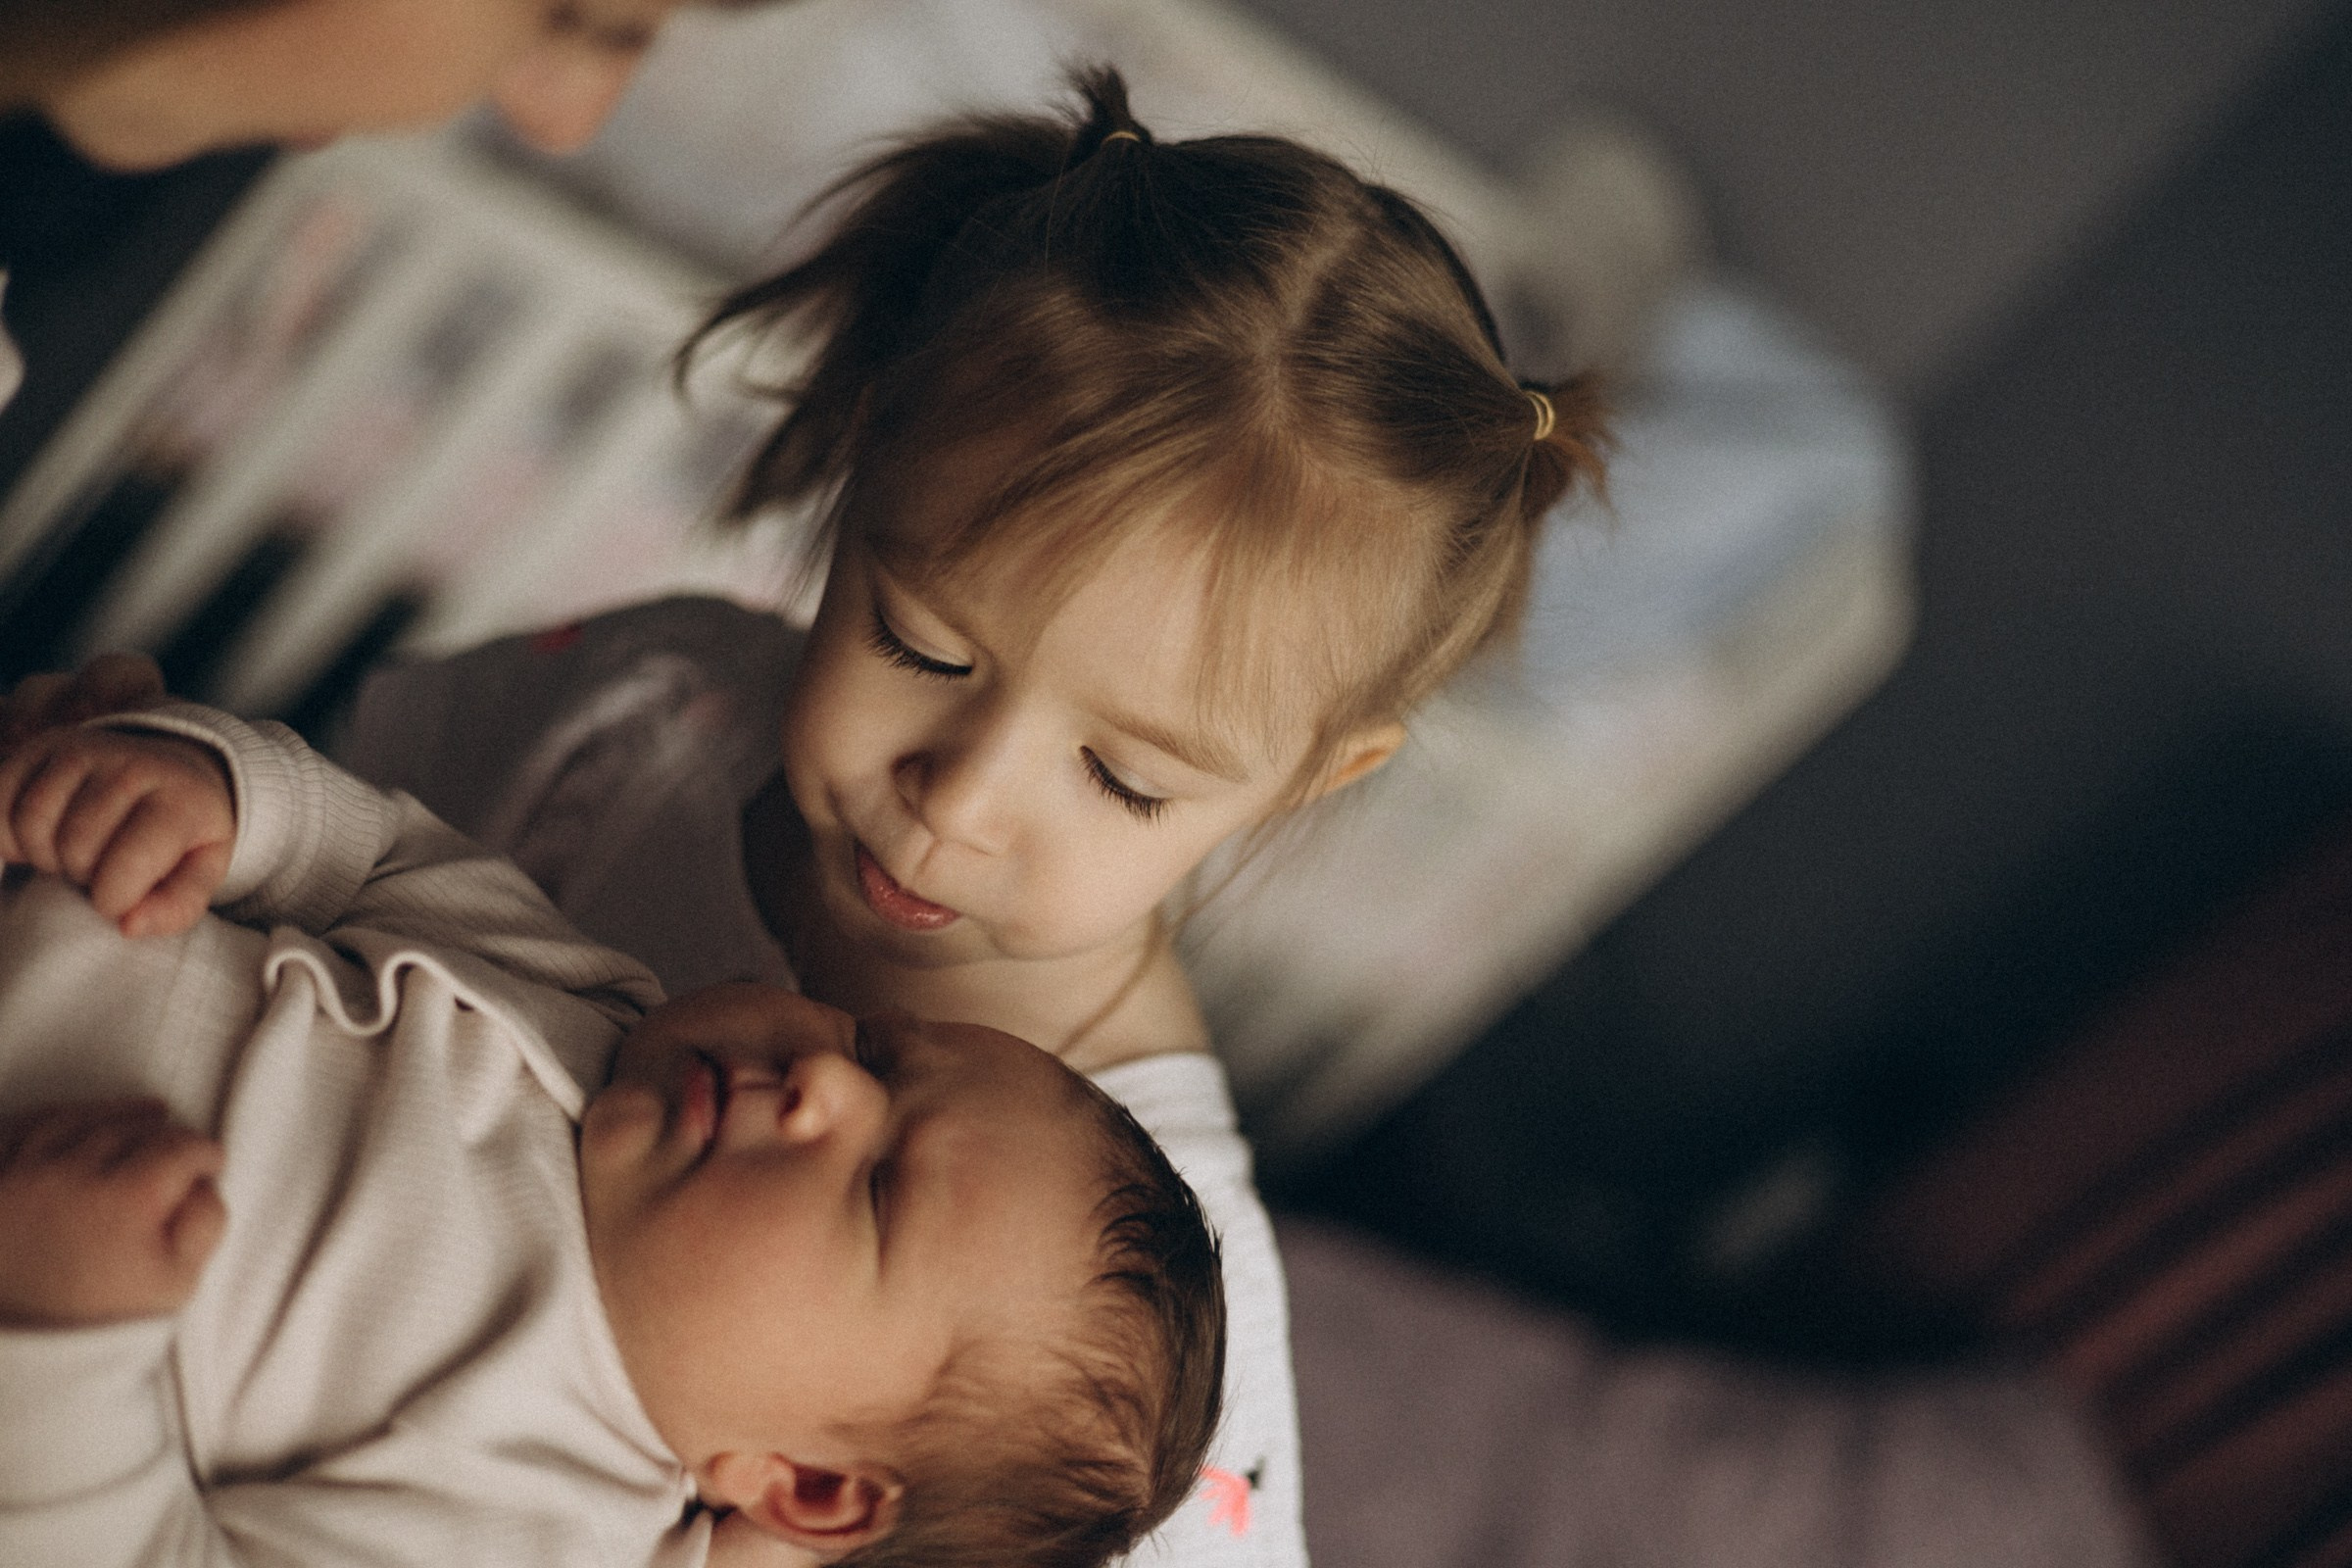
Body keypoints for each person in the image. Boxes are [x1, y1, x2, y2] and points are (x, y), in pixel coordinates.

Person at [332, 66, 1606, 1568]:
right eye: (921, 648)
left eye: (1124, 775)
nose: (956, 800)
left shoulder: (1135, 1339)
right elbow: (328, 871)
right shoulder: (651, 710)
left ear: (1306, 778)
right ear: (869, 459)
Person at [0, 701, 1225, 1568]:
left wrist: (60, 1331)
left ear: (803, 1484)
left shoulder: (536, 1516)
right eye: (878, 1049)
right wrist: (221, 797)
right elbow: (373, 855)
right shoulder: (599, 1003)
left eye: (877, 1192)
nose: (823, 1088)